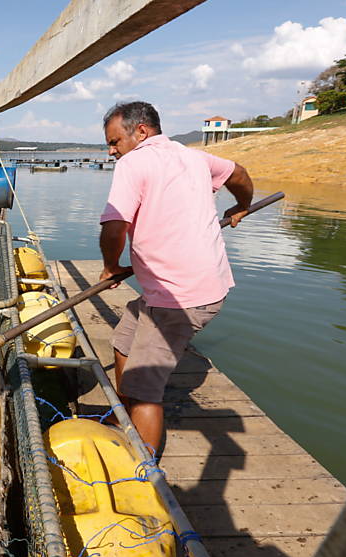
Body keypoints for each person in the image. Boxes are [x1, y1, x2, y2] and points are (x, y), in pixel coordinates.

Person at [98, 101, 253, 457]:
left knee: (144, 391)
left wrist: (110, 266)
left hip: (180, 297)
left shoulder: (133, 162)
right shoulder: (195, 157)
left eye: (114, 141)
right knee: (124, 339)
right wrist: (242, 204)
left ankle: (144, 474)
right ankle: (125, 419)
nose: (111, 151)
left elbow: (115, 225)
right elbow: (239, 174)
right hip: (188, 288)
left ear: (141, 131)